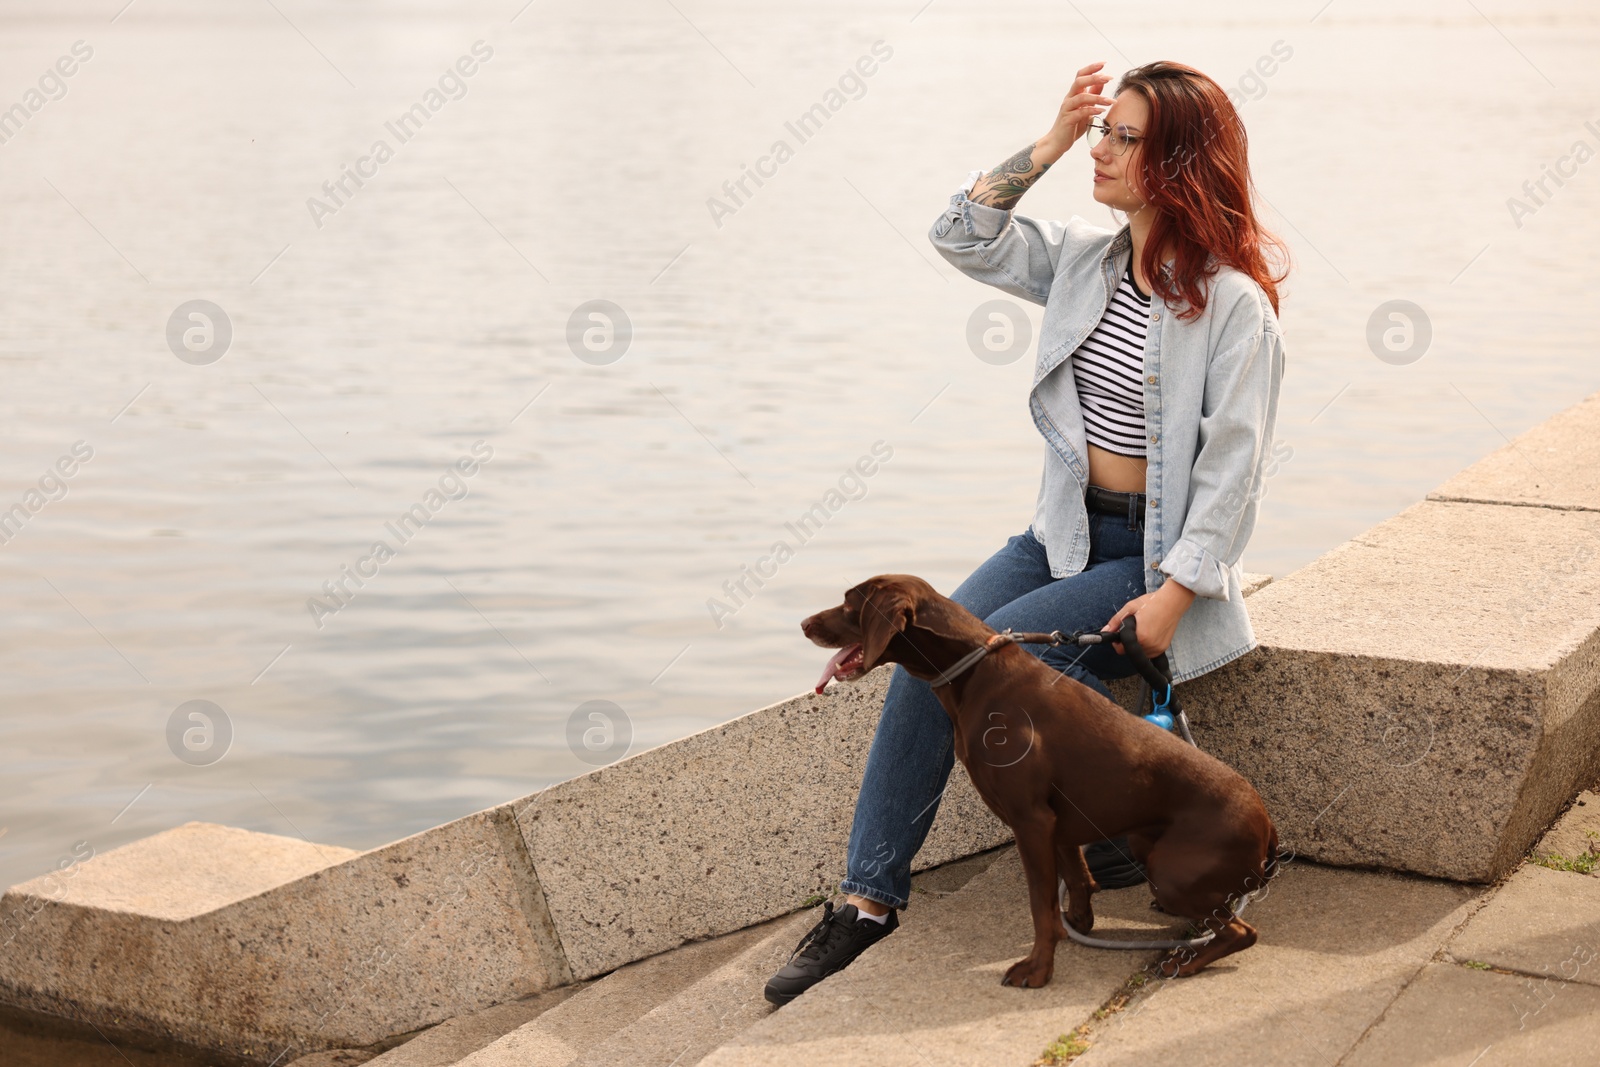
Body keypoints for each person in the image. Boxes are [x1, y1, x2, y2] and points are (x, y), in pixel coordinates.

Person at [764, 59, 1288, 1006]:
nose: (1102, 150)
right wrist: (1047, 142)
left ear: (1179, 161)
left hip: (1147, 553)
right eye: (1104, 131)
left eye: (1127, 138)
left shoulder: (1232, 307)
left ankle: (930, 884)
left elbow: (1234, 470)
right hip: (1060, 533)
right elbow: (959, 233)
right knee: (926, 646)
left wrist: (1173, 593)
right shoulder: (1086, 260)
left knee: (963, 672)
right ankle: (866, 902)